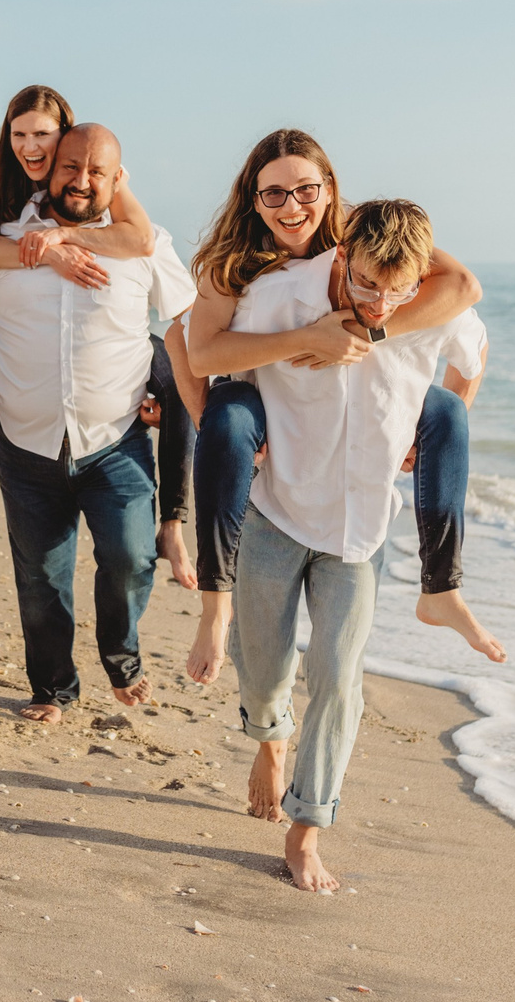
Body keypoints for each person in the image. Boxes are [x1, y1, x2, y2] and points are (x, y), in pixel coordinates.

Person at [229, 199, 486, 892]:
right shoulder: (282, 296)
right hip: (277, 513)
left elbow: (470, 360)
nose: (380, 302)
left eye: (396, 288)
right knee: (260, 668)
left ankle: (307, 829)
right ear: (344, 256)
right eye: (369, 283)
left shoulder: (426, 307)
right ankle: (269, 735)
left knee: (339, 681)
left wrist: (427, 436)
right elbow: (224, 365)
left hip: (361, 531)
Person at [179, 129, 498, 685]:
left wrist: (365, 332)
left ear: (329, 190)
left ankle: (442, 586)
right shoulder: (235, 267)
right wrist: (310, 340)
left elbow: (463, 287)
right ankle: (215, 605)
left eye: (305, 189)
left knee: (444, 408)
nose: (292, 206)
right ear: (253, 199)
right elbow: (191, 349)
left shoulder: (361, 237)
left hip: (346, 438)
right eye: (273, 193)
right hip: (251, 400)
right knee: (228, 421)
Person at [0, 122, 196, 723]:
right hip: (25, 438)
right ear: (50, 165)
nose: (82, 181)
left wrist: (173, 385)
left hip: (115, 441)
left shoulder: (149, 243)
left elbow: (188, 317)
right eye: (70, 166)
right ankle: (53, 689)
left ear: (118, 180)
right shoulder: (10, 237)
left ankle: (121, 654)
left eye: (97, 171)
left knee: (130, 555)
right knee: (40, 575)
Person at [0, 86, 193, 583]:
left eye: (44, 137)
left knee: (178, 382)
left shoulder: (126, 214)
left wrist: (67, 234)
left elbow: (166, 282)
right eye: (21, 135)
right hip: (25, 428)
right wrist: (47, 251)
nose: (32, 147)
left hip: (115, 430)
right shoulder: (0, 194)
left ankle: (173, 524)